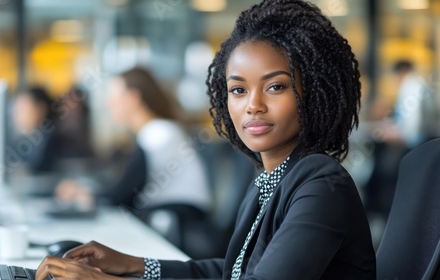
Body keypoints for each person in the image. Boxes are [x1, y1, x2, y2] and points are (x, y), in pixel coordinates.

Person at [36, 0, 376, 279]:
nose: (253, 106)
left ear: (314, 93)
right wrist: (135, 265)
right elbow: (233, 272)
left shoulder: (321, 183)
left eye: (275, 87)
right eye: (239, 90)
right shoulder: (272, 178)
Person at [55, 67, 212, 226]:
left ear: (133, 98)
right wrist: (87, 193)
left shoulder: (160, 133)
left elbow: (125, 193)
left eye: (114, 97)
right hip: (167, 216)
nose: (109, 103)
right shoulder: (153, 132)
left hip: (182, 218)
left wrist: (87, 196)